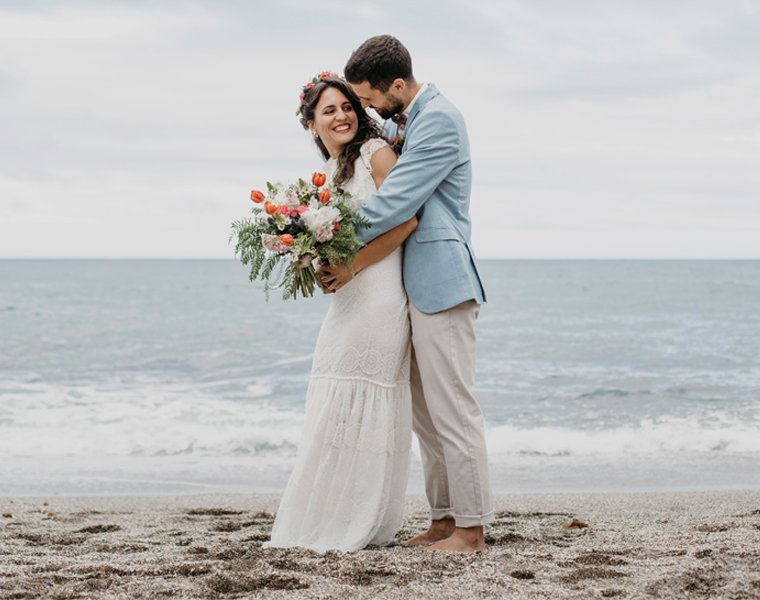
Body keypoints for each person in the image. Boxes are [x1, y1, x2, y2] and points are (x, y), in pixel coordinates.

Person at [329, 35, 494, 553]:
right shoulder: (408, 121)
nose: (368, 108)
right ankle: (444, 519)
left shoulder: (441, 120)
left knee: (453, 409)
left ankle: (471, 527)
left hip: (443, 282)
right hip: (412, 288)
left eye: (370, 98)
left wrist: (330, 236)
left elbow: (398, 201)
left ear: (397, 85)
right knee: (426, 415)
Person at [264, 74, 417, 552]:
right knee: (331, 396)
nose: (341, 116)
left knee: (365, 399)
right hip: (347, 300)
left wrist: (354, 265)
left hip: (379, 295)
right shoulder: (327, 176)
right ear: (312, 125)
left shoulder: (376, 154)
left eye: (347, 106)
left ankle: (360, 521)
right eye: (328, 111)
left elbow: (409, 218)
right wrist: (310, 259)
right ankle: (328, 515)